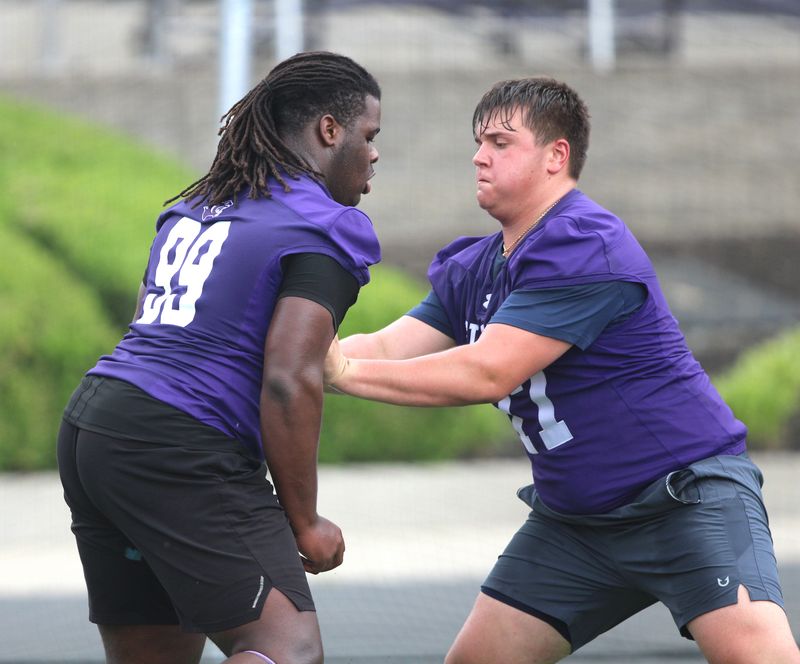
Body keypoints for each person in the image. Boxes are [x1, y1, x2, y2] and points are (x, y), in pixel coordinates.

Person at [324, 77, 800, 663]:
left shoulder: (583, 241)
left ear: (557, 155)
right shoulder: (478, 264)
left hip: (682, 500)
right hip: (576, 524)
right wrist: (291, 352)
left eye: (501, 141)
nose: (479, 155)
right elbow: (389, 347)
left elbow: (486, 373)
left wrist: (340, 371)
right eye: (478, 141)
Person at [57, 51, 382, 664]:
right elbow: (290, 378)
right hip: (180, 445)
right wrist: (304, 520)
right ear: (328, 130)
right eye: (369, 135)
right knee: (286, 650)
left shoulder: (196, 204)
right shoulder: (326, 225)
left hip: (95, 427)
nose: (373, 155)